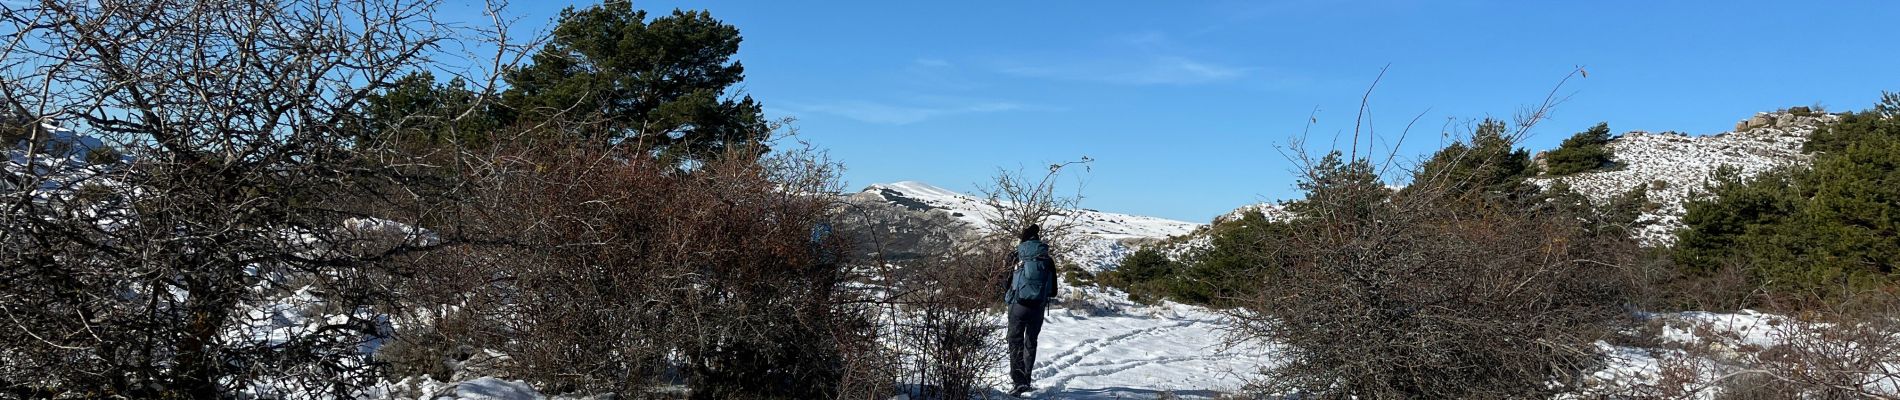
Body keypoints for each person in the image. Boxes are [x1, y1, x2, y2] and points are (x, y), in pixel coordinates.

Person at [1003, 223, 1057, 396]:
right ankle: (1026, 379)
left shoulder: (1016, 255)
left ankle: (1018, 381)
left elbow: (1005, 281)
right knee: (1030, 342)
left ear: (1023, 239)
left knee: (1015, 341)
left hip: (1017, 306)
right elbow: (1054, 290)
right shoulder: (1047, 259)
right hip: (1038, 308)